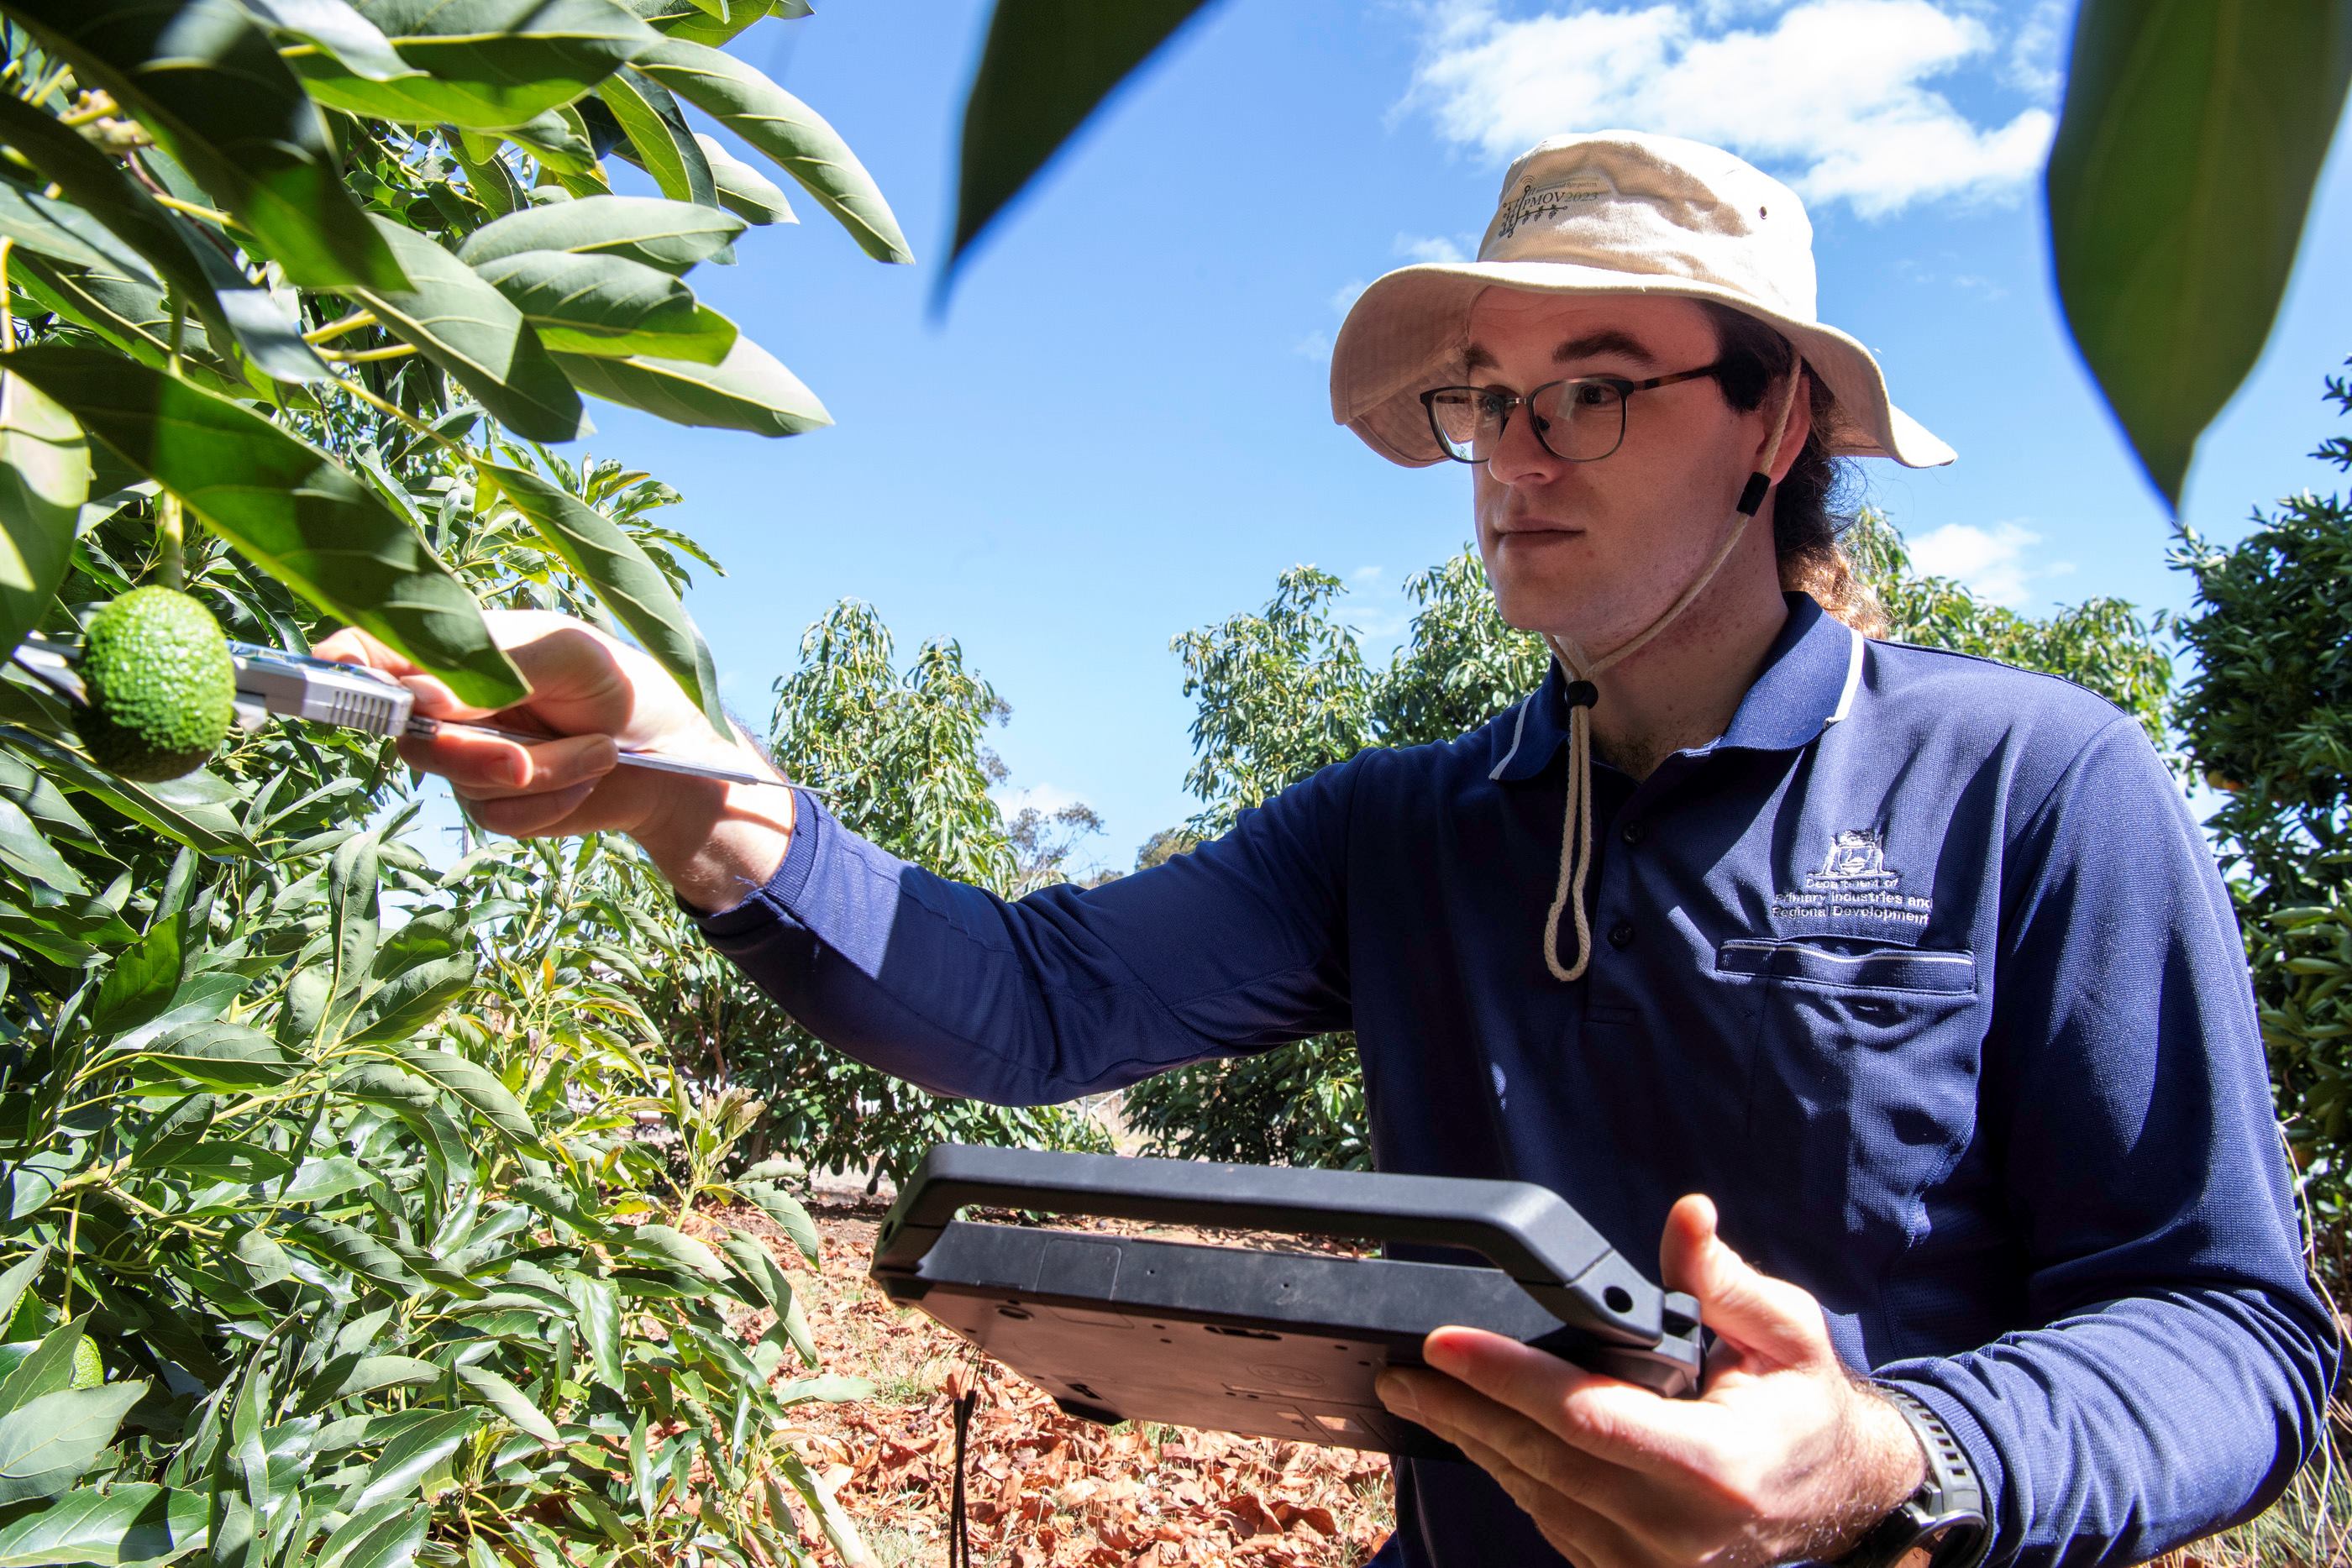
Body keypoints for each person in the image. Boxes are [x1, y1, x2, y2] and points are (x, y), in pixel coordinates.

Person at [318, 132, 2339, 1568]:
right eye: (1491, 400)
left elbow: (2232, 1334)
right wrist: (705, 798)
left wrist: (1893, 1455)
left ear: (1775, 422)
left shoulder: (2030, 784)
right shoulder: (1403, 828)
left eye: (1598, 392)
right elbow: (1031, 998)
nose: (1517, 456)